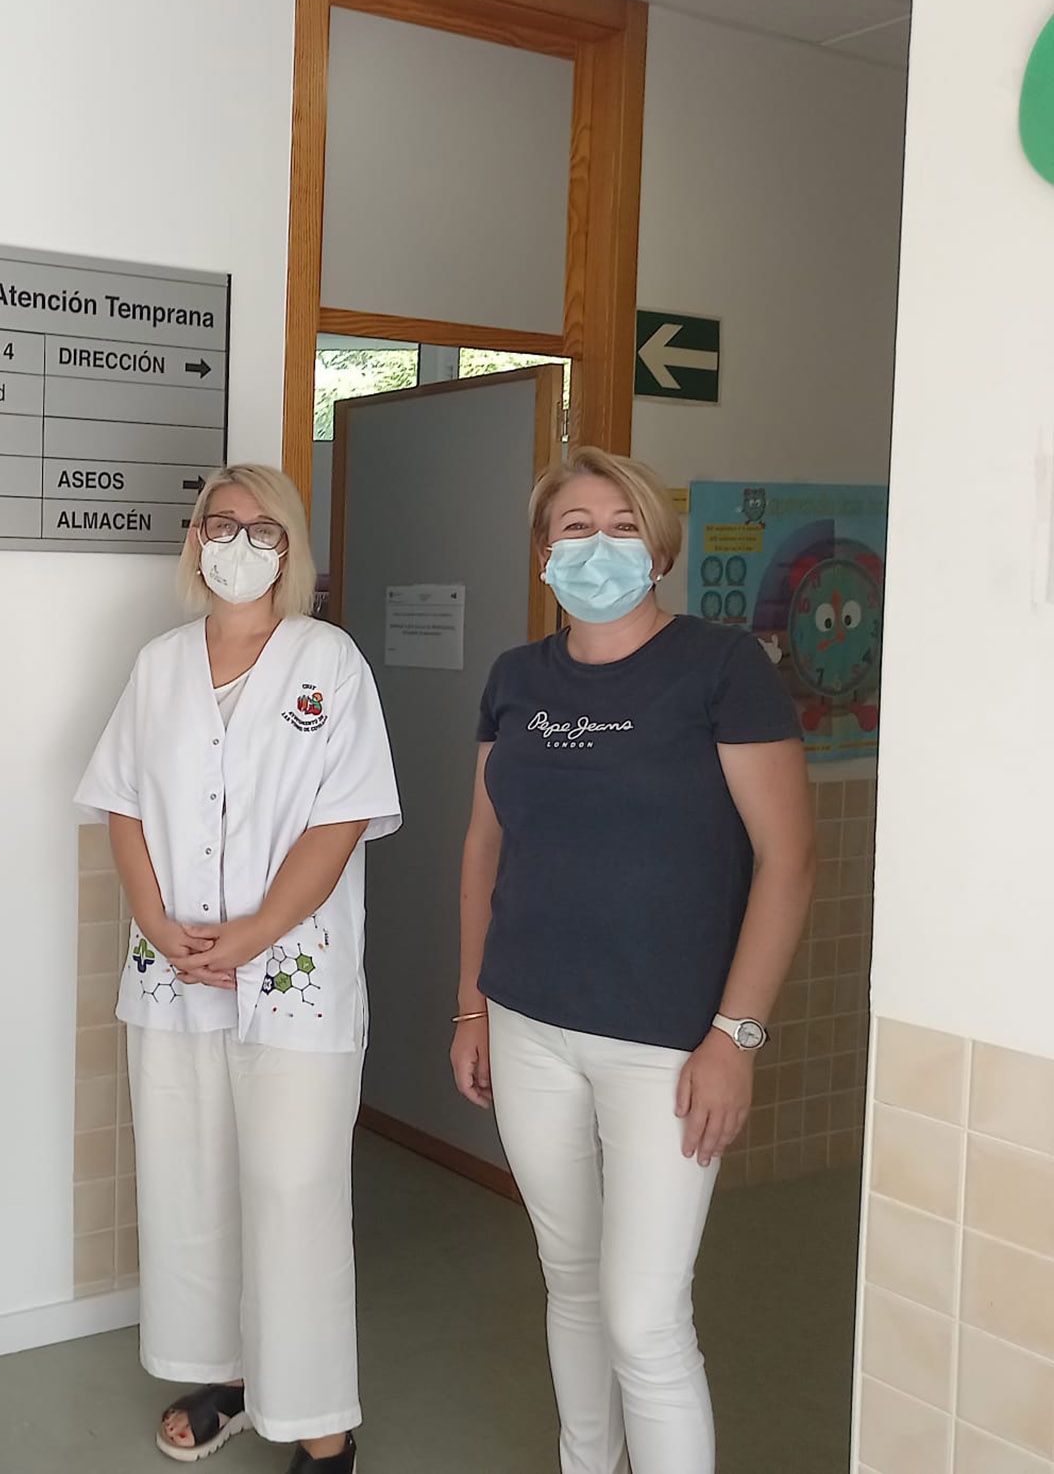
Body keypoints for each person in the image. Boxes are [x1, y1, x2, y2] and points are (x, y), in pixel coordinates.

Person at [450, 447, 815, 1474]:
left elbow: (786, 861)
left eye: (619, 524)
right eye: (572, 526)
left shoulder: (720, 666)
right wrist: (468, 1010)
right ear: (540, 553)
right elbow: (482, 847)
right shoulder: (514, 678)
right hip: (525, 1022)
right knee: (567, 1278)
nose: (595, 544)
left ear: (656, 549)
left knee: (643, 1317)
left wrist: (733, 1037)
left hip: (667, 1043)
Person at [76, 463, 402, 1474]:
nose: (236, 540)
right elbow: (122, 800)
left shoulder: (326, 660)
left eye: (260, 526)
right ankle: (224, 1373)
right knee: (192, 1179)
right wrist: (150, 915)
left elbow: (342, 814)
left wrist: (257, 930)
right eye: (218, 522)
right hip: (173, 971)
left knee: (291, 1187)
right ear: (193, 540)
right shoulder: (160, 664)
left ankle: (318, 1418)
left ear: (289, 546)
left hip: (291, 977)